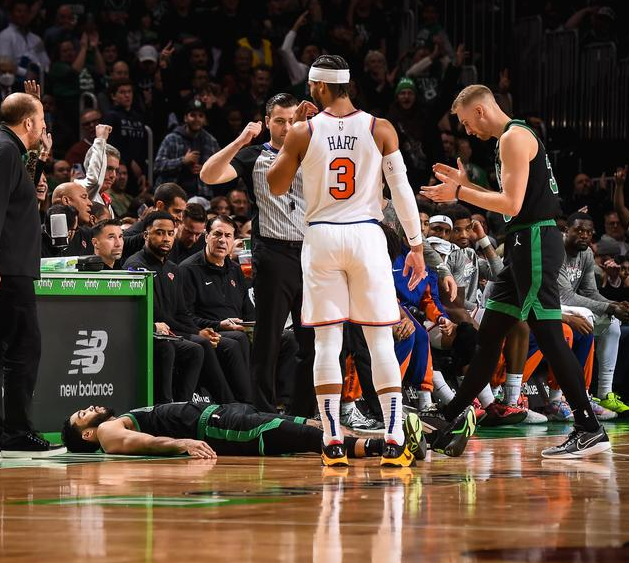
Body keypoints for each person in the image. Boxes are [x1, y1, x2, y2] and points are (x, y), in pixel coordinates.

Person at [267, 54, 475, 467]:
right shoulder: (380, 128)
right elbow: (401, 190)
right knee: (380, 339)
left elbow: (275, 184)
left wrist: (293, 135)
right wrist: (416, 246)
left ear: (319, 87)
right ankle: (395, 439)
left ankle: (332, 441)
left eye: (311, 86)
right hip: (367, 234)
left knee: (327, 342)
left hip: (322, 235)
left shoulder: (304, 131)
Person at [420, 84, 611, 459]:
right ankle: (449, 416)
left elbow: (510, 203)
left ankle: (589, 427)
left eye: (466, 122)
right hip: (523, 242)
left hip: (535, 241)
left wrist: (461, 193)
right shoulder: (509, 139)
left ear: (480, 111)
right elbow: (512, 201)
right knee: (490, 336)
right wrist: (467, 185)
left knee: (550, 335)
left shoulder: (513, 138)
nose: (466, 131)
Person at [200, 93, 316, 418]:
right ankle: (263, 410)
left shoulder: (313, 151)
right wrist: (241, 139)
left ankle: (303, 412)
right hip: (273, 253)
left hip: (312, 253)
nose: (287, 127)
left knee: (311, 340)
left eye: (292, 120)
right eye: (279, 121)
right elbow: (208, 175)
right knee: (268, 337)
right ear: (267, 122)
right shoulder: (253, 155)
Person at [0, 92, 65, 457]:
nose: (44, 125)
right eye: (40, 119)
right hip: (9, 271)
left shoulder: (10, 151)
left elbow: (18, 194)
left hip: (13, 269)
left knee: (14, 349)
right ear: (28, 122)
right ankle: (16, 431)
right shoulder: (5, 151)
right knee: (24, 348)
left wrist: (39, 159)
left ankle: (11, 429)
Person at [61, 402, 426, 462]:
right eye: (82, 415)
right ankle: (382, 448)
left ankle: (400, 441)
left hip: (220, 412)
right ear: (86, 435)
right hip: (214, 426)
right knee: (294, 434)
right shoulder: (107, 432)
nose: (89, 409)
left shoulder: (113, 421)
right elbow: (137, 442)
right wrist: (182, 443)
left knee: (308, 423)